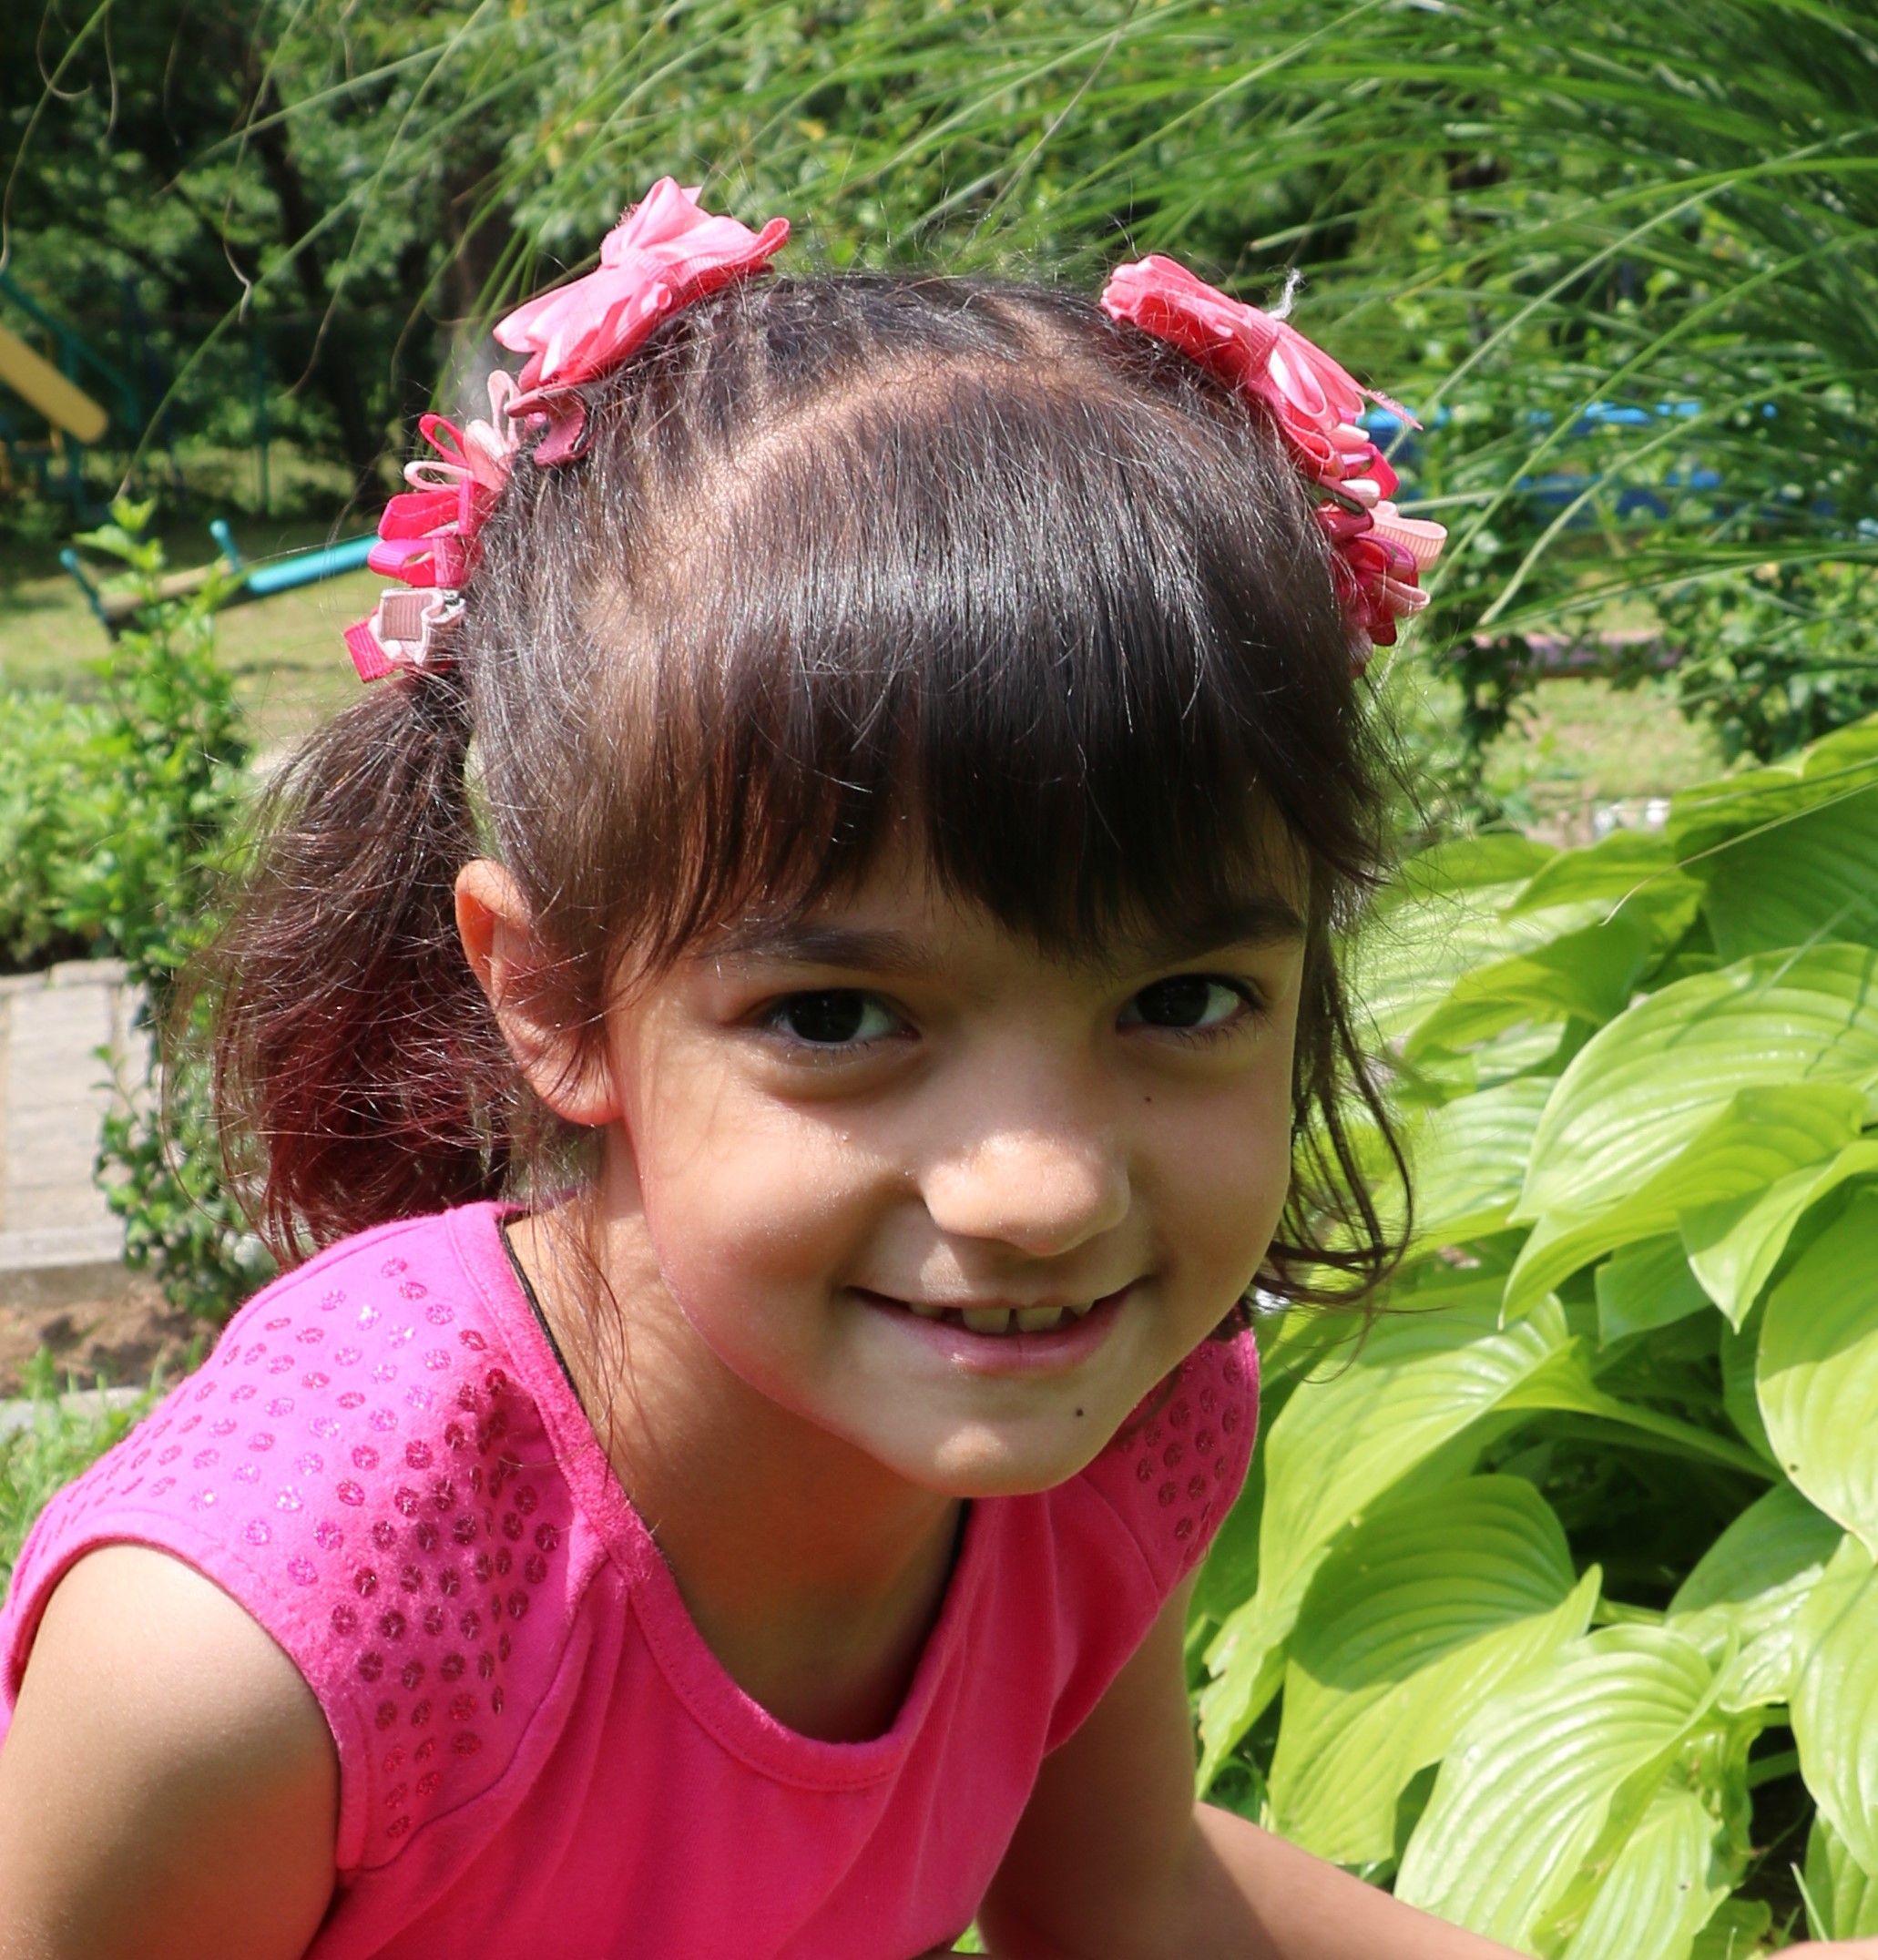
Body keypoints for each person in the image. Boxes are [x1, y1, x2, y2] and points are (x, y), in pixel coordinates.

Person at [0, 182, 1861, 1960]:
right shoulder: (261, 1645)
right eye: (836, 1018)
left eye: (1182, 999)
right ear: (553, 994)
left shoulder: (1106, 1420)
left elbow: (1118, 1898)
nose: (1041, 1190)